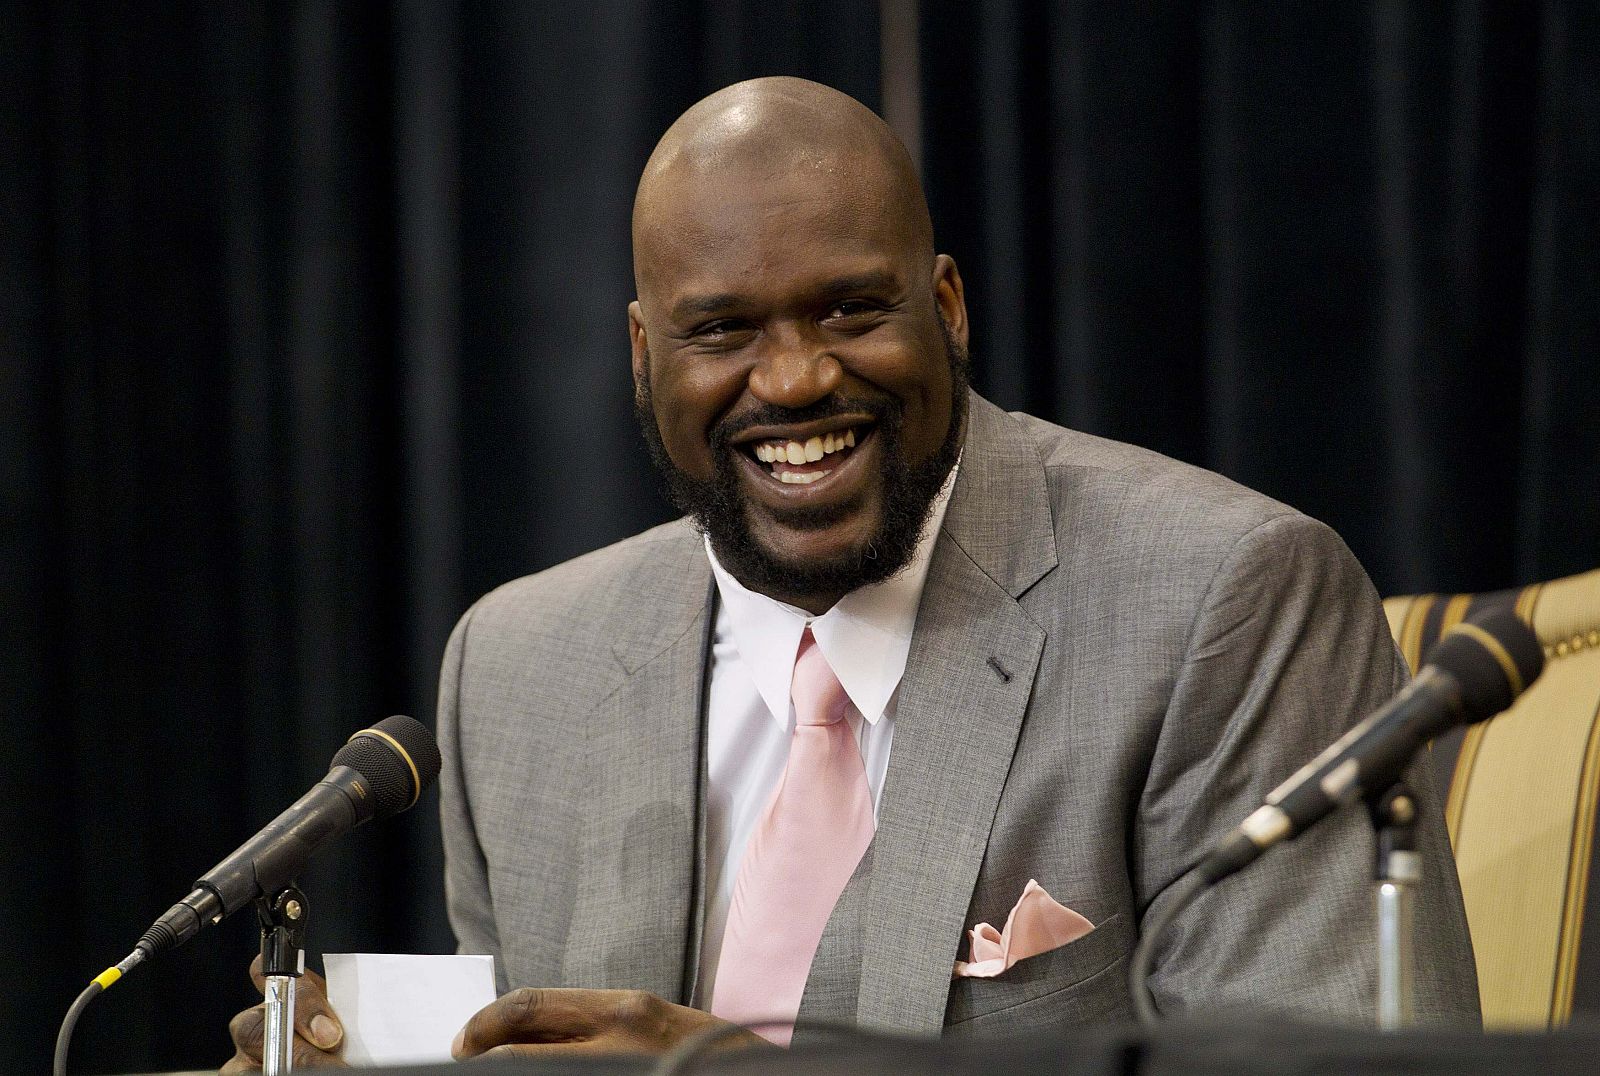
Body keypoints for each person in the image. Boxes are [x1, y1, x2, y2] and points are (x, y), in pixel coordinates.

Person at [223, 76, 1478, 1069]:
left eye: (850, 310)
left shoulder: (1227, 599)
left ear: (949, 308)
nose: (793, 380)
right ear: (641, 355)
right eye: (720, 330)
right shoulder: (516, 667)